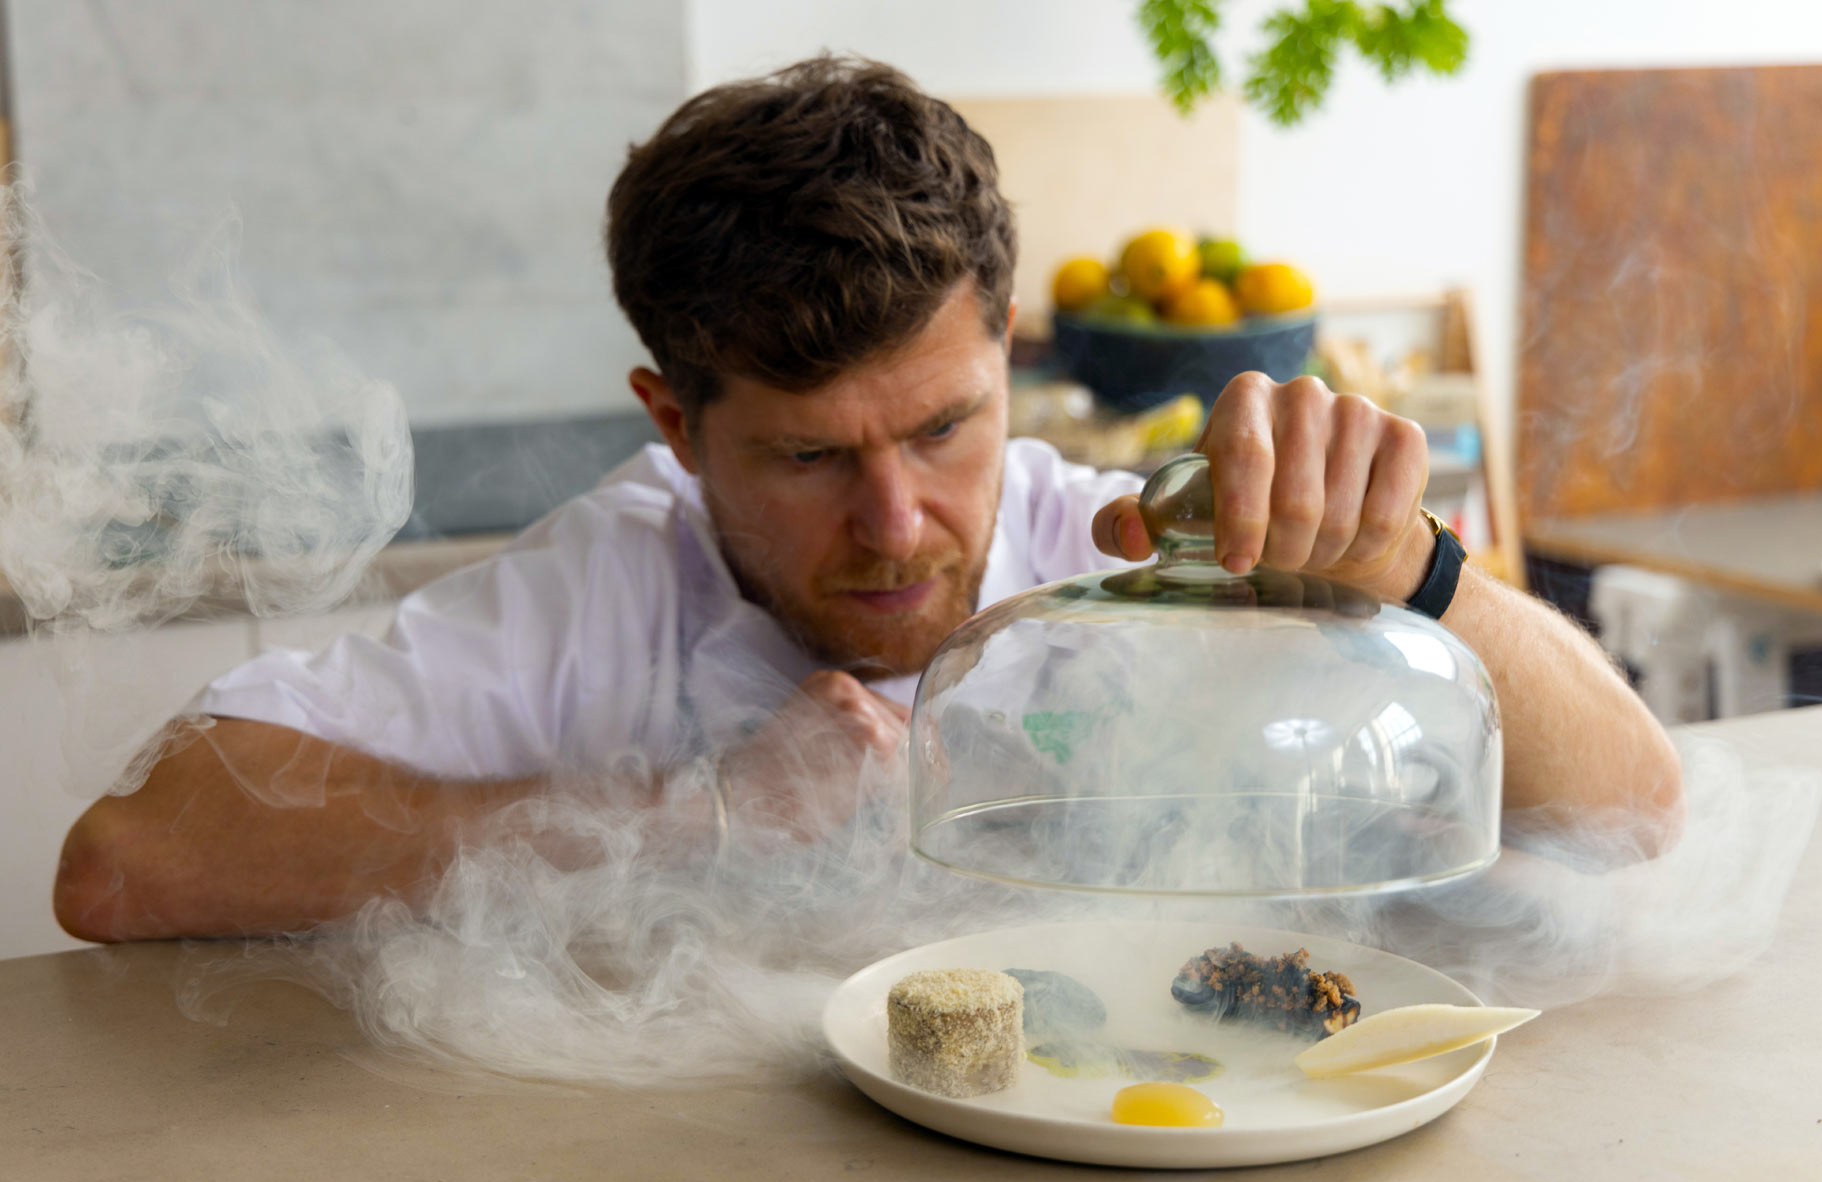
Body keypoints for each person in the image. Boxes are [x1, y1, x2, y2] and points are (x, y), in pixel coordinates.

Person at [52, 57, 1683, 943]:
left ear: (1005, 360)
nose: (899, 524)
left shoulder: (1120, 550)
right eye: (810, 458)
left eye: (946, 429)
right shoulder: (609, 585)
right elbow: (128, 863)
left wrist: (1418, 570)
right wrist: (678, 814)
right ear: (677, 428)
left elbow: (1638, 818)